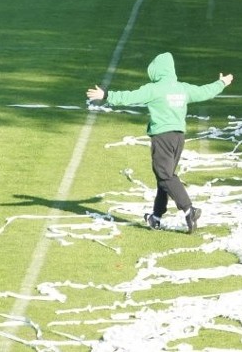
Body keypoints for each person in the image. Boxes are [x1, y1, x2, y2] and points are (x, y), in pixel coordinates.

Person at [85, 52, 234, 234]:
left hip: (163, 137)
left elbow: (130, 97)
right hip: (178, 137)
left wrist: (106, 95)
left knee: (165, 176)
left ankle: (189, 210)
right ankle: (156, 217)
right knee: (164, 178)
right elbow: (204, 92)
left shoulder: (154, 89)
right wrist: (222, 83)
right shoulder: (182, 88)